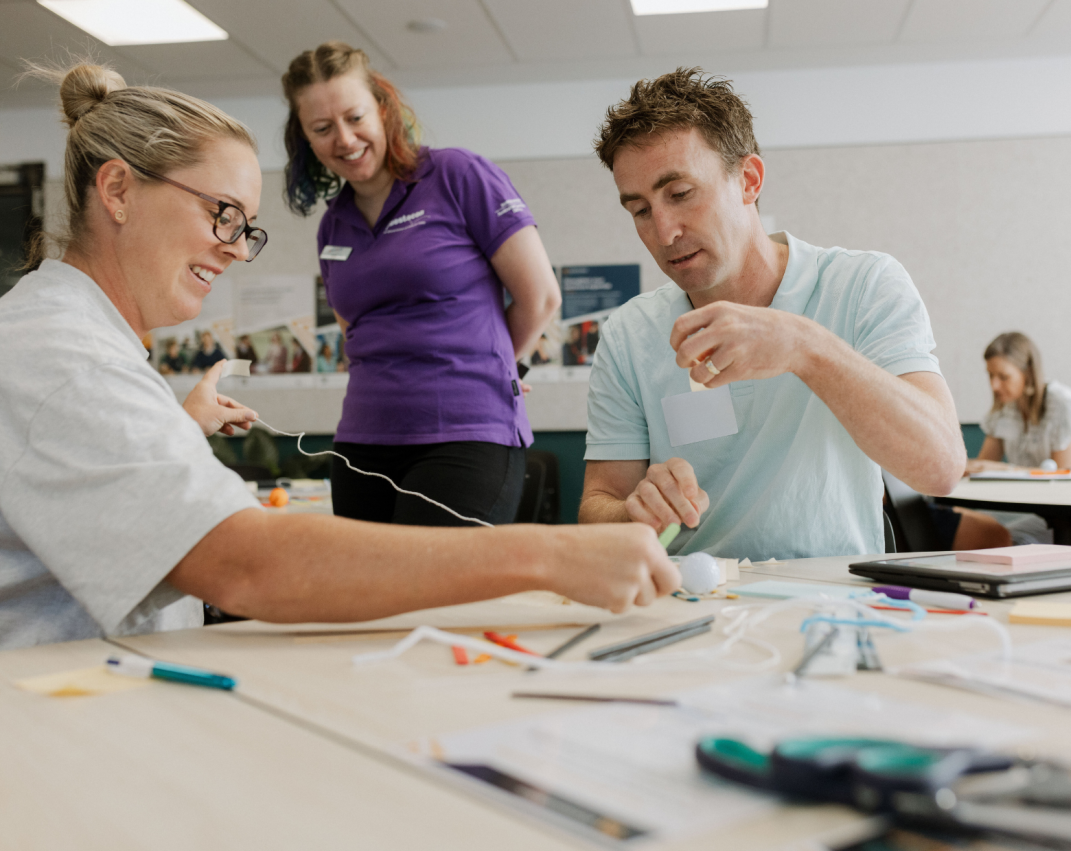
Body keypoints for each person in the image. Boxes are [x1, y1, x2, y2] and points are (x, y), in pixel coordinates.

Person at [0, 62, 678, 651]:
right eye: (222, 214)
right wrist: (551, 550)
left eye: (246, 227)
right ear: (117, 190)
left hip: (465, 427)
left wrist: (177, 426)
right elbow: (244, 564)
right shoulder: (64, 354)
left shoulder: (78, 342)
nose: (237, 248)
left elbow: (539, 296)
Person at [577, 68, 965, 560]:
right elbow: (598, 506)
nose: (664, 231)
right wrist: (635, 510)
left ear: (749, 180)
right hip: (692, 604)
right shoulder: (630, 333)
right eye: (639, 210)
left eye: (680, 194)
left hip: (834, 604)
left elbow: (942, 467)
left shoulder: (863, 285)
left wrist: (806, 347)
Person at [281, 42, 561, 528]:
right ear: (305, 138)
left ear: (384, 109)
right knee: (366, 598)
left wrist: (498, 364)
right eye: (322, 129)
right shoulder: (334, 225)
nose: (344, 140)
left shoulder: (457, 175)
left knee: (432, 599)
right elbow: (353, 330)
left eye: (354, 117)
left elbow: (540, 296)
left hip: (466, 432)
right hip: (362, 440)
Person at [969, 332, 1071, 474]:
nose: (994, 386)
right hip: (1035, 493)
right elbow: (983, 466)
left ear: (1028, 372)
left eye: (1003, 377)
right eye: (990, 375)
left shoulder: (1064, 405)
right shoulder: (1004, 409)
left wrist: (1006, 469)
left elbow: (1062, 476)